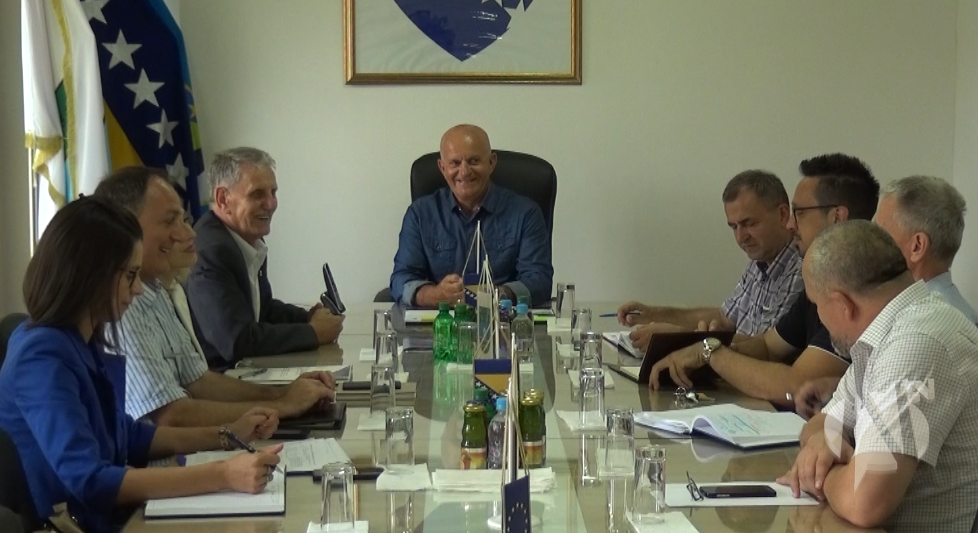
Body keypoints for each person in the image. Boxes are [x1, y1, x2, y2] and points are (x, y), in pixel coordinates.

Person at [0, 196, 283, 533]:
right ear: (90, 275)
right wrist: (223, 474)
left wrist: (227, 435)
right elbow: (89, 479)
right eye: (130, 276)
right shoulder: (41, 355)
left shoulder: (83, 338)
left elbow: (129, 434)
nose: (137, 290)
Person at [94, 167, 336, 427]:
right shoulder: (124, 306)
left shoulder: (155, 290)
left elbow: (199, 381)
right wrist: (282, 406)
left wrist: (284, 393)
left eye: (183, 220)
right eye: (170, 221)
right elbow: (169, 416)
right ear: (127, 227)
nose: (190, 234)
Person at [777, 221, 978, 532]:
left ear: (842, 305)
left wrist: (820, 475)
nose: (819, 317)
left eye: (817, 305)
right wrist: (824, 441)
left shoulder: (914, 344)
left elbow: (863, 503)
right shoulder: (882, 336)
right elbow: (821, 423)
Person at [648, 153, 880, 409]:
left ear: (837, 217)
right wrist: (703, 350)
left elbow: (799, 384)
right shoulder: (825, 279)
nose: (790, 224)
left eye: (799, 213)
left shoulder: (860, 288)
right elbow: (768, 346)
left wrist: (710, 353)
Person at [793, 175, 977, 417]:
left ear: (917, 246)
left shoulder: (927, 330)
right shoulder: (907, 309)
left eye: (880, 232)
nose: (869, 240)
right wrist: (843, 393)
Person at [186, 147, 343, 369]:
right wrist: (313, 332)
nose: (271, 204)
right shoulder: (212, 251)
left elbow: (262, 310)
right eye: (257, 194)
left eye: (273, 193)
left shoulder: (248, 238)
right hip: (223, 378)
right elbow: (237, 341)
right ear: (223, 199)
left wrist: (308, 317)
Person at [617, 170, 803, 349]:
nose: (740, 238)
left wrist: (678, 337)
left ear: (782, 215)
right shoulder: (760, 260)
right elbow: (724, 318)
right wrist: (654, 314)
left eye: (749, 224)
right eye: (734, 227)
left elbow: (766, 348)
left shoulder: (799, 271)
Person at [390, 124, 554, 307]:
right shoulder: (420, 214)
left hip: (502, 318)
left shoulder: (526, 213)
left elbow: (539, 280)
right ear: (442, 168)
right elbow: (401, 279)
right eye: (455, 163)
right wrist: (434, 295)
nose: (465, 172)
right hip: (441, 320)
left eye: (474, 161)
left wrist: (497, 295)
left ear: (491, 163)